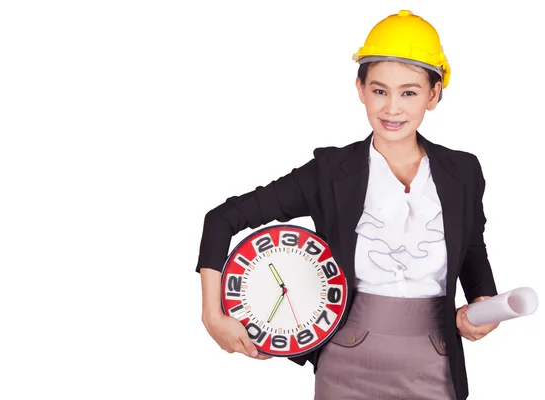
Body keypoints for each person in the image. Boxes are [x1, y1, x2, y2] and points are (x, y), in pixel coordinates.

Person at [195, 10, 499, 400]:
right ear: (360, 89)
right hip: (346, 358)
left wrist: (483, 302)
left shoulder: (463, 171)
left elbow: (473, 251)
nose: (392, 108)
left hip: (436, 359)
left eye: (409, 92)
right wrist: (212, 315)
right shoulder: (329, 172)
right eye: (379, 90)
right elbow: (223, 219)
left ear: (434, 94)